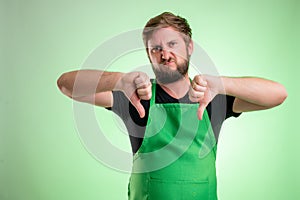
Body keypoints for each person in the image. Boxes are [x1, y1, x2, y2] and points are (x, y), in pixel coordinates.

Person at [57, 12, 287, 200]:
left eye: (172, 44)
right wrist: (119, 80)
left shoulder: (212, 99)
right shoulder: (136, 99)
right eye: (155, 48)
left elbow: (278, 95)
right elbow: (67, 85)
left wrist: (222, 83)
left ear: (189, 47)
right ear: (148, 55)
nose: (164, 54)